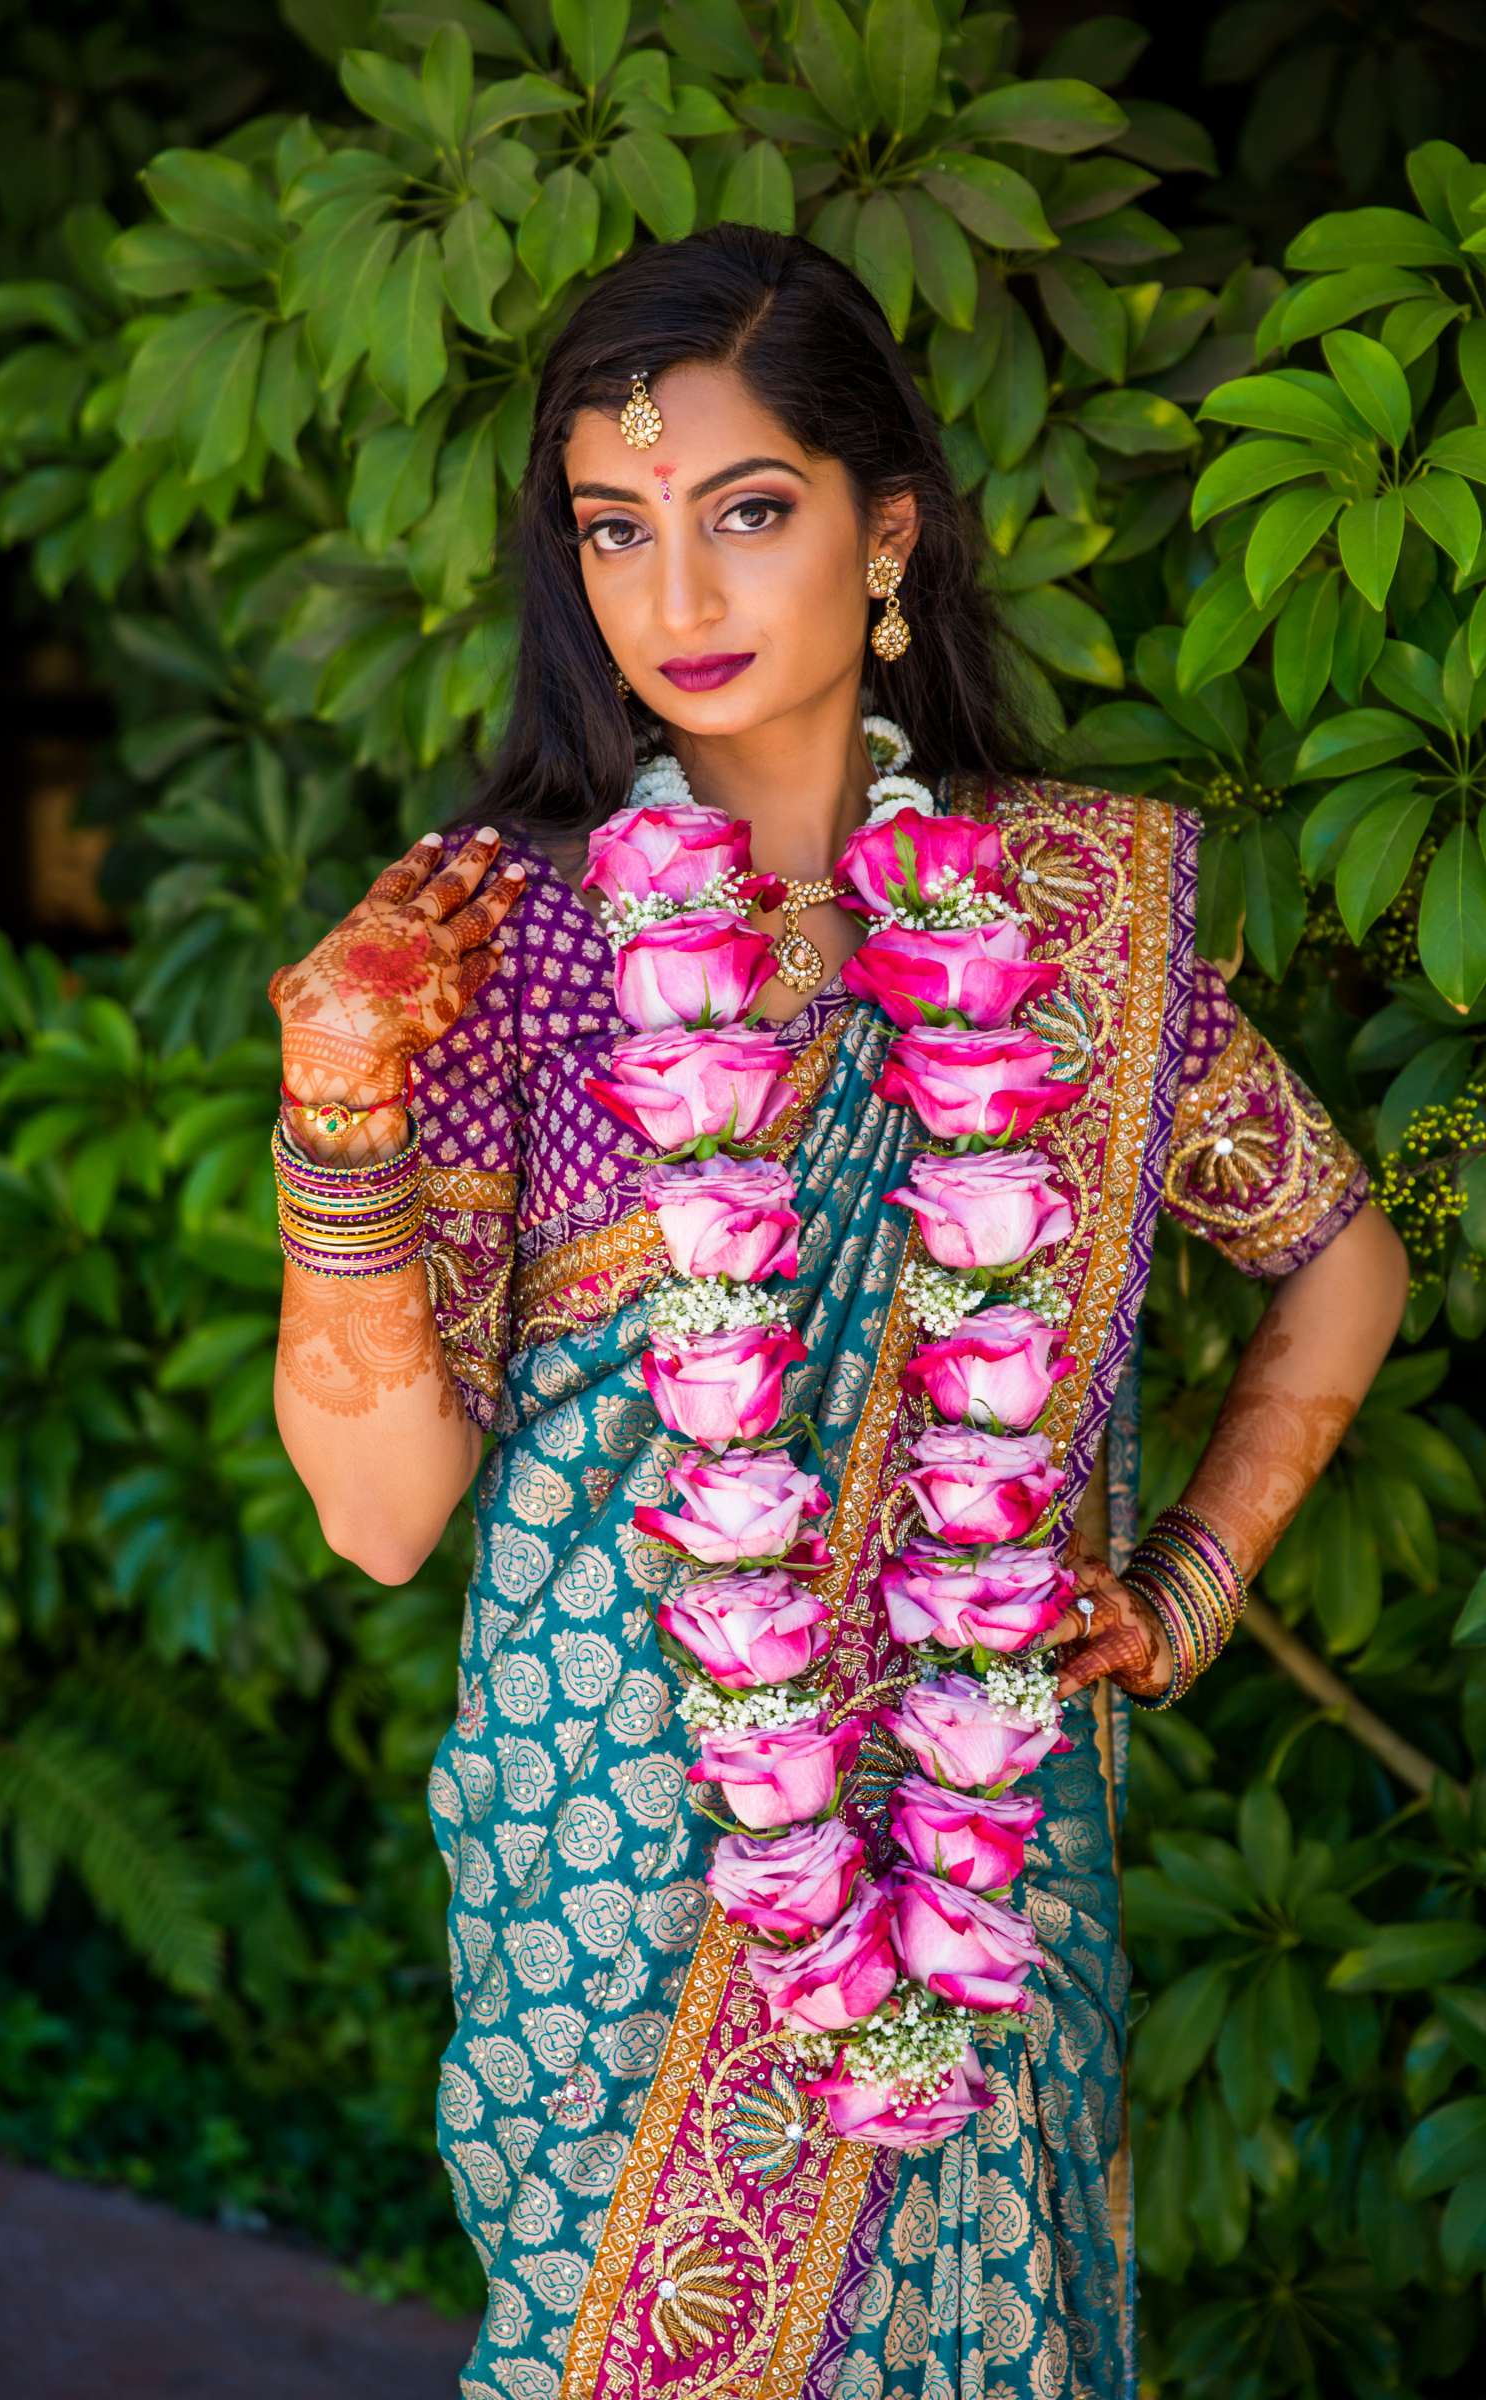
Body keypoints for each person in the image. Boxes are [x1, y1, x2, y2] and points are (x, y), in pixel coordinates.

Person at [266, 226, 1408, 2400]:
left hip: (969, 1855)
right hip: (606, 1875)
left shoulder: (1066, 927)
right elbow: (388, 1517)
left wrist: (1179, 1590)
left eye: (746, 513)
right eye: (615, 531)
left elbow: (1337, 1263)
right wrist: (338, 1110)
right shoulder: (506, 945)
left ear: (885, 530)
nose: (673, 599)